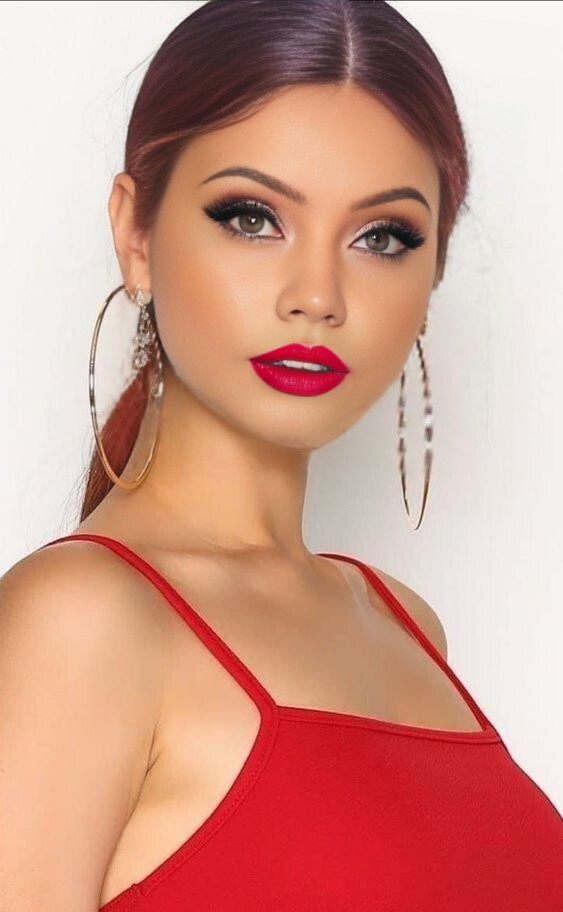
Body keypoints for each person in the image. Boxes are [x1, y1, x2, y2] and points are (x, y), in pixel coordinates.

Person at [1, 1, 561, 909]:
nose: (317, 295)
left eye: (382, 236)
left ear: (433, 273)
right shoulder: (81, 621)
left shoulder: (406, 625)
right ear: (135, 233)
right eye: (251, 217)